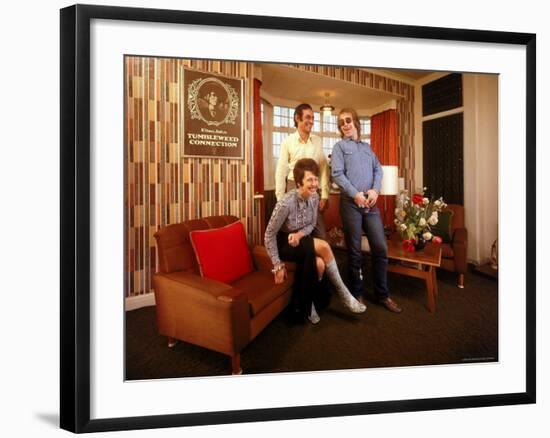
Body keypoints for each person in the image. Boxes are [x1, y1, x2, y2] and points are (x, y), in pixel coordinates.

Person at [265, 158, 366, 324]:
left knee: (319, 264)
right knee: (324, 246)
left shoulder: (314, 198)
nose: (314, 184)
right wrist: (277, 265)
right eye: (309, 180)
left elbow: (311, 224)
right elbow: (269, 234)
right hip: (284, 243)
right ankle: (345, 295)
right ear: (298, 183)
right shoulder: (285, 203)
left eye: (316, 179)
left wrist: (300, 235)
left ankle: (309, 305)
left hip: (300, 239)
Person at [331, 108, 403, 313]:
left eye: (348, 120)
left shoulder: (367, 148)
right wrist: (356, 194)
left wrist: (375, 190)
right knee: (355, 253)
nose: (344, 124)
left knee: (380, 248)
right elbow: (337, 174)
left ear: (355, 122)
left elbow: (378, 170)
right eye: (341, 122)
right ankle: (357, 293)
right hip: (351, 204)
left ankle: (383, 295)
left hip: (370, 205)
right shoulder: (339, 147)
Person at [275, 103, 330, 239]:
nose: (311, 121)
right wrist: (280, 199)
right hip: (294, 187)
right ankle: (306, 259)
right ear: (297, 118)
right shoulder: (287, 142)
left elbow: (323, 168)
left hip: (312, 189)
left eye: (313, 118)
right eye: (308, 117)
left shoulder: (317, 141)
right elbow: (281, 170)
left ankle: (319, 257)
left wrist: (324, 194)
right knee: (297, 235)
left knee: (320, 234)